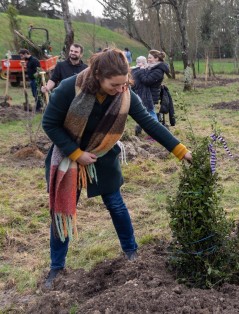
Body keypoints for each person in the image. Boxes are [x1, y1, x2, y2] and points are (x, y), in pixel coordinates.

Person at [42, 48, 192, 289]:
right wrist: (76, 153)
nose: (121, 89)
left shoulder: (125, 95)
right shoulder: (70, 88)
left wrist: (181, 151)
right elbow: (49, 124)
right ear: (98, 76)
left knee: (115, 204)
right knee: (63, 212)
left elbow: (150, 124)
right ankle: (56, 269)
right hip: (68, 158)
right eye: (114, 84)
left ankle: (132, 253)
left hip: (102, 153)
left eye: (124, 84)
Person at [133, 50, 170, 136]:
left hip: (150, 95)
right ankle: (152, 130)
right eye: (148, 57)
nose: (148, 59)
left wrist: (142, 71)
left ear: (156, 58)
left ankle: (157, 133)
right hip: (146, 94)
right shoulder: (153, 67)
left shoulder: (158, 70)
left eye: (150, 58)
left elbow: (147, 81)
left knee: (150, 112)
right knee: (146, 112)